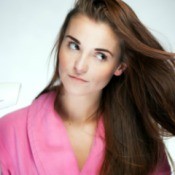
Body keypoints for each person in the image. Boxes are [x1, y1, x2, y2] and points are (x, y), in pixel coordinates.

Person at [0, 0, 175, 174]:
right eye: (74, 46)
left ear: (120, 67)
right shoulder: (9, 131)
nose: (80, 66)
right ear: (61, 43)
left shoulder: (141, 139)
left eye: (100, 56)